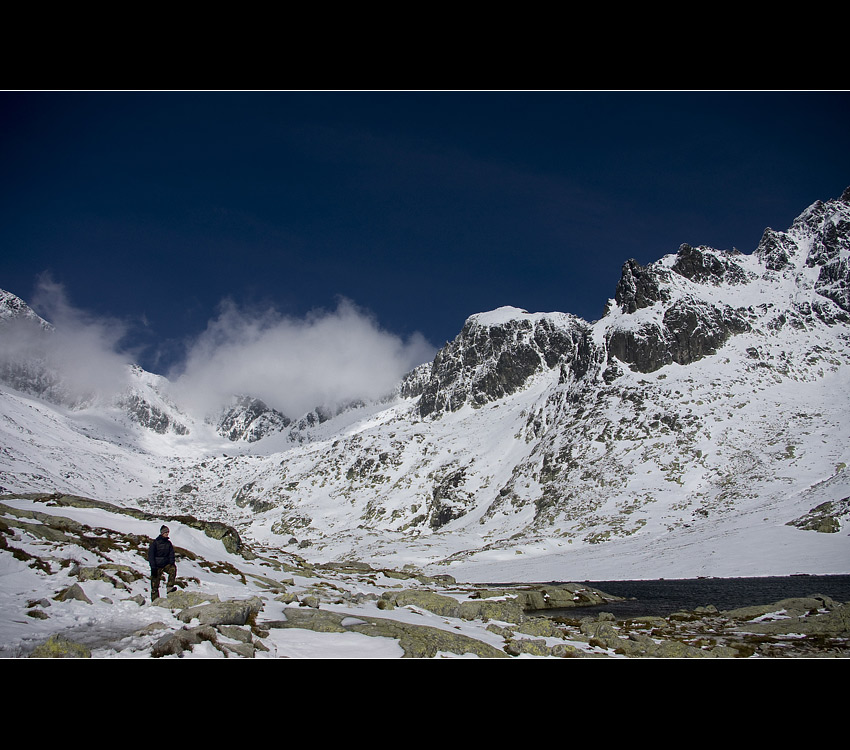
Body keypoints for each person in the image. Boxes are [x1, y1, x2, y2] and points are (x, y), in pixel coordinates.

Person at [148, 525, 177, 601]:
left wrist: (172, 563)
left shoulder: (168, 543)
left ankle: (169, 587)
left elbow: (171, 554)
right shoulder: (155, 543)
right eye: (165, 532)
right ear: (162, 533)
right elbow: (151, 556)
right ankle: (155, 600)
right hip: (157, 566)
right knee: (155, 584)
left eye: (168, 532)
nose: (167, 534)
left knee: (173, 569)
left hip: (165, 564)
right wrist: (153, 567)